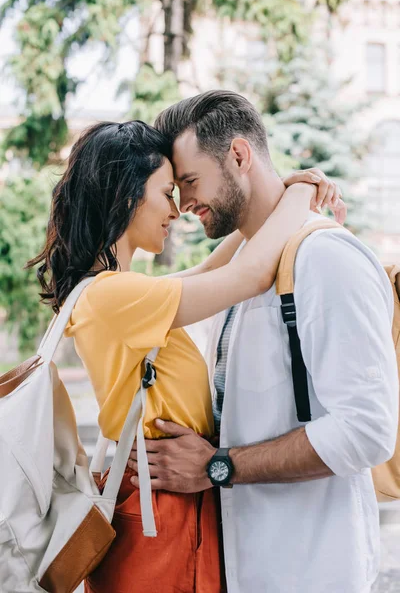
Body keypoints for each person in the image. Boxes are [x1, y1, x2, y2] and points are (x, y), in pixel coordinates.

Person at [27, 119, 341, 593]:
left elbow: (213, 267)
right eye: (165, 193)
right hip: (163, 510)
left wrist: (273, 201)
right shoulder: (114, 297)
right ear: (126, 197)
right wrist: (301, 190)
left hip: (168, 499)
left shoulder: (118, 292)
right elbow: (249, 275)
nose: (175, 211)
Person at [127, 91, 399, 593]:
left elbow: (367, 431)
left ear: (238, 155)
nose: (183, 206)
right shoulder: (244, 270)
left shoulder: (326, 258)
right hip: (248, 569)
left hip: (316, 573)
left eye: (189, 182)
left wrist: (216, 466)